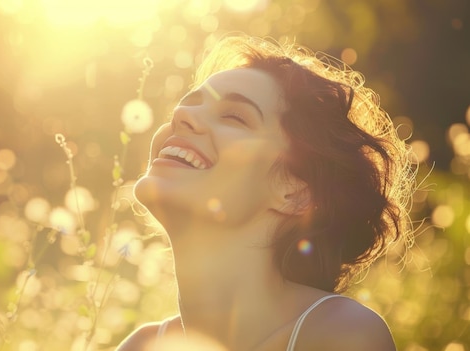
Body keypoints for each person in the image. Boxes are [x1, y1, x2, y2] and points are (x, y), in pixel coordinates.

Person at [116, 34, 415, 351]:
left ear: (296, 191)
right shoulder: (139, 346)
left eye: (233, 116)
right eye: (187, 105)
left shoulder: (341, 335)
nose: (180, 116)